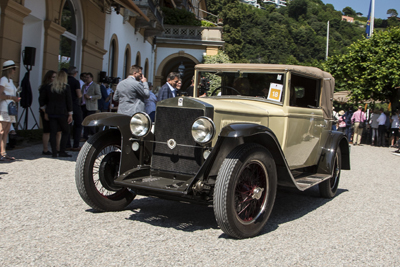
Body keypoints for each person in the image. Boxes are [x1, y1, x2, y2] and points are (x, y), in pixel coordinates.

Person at [39, 70, 73, 158]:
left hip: (51, 112)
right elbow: (69, 101)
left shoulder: (49, 87)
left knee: (53, 132)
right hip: (62, 112)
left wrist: (44, 109)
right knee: (66, 131)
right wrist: (70, 113)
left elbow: (41, 100)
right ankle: (61, 150)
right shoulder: (66, 87)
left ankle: (54, 152)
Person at [0, 60, 21, 161]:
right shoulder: (3, 79)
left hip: (10, 107)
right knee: (2, 131)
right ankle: (1, 152)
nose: (15, 70)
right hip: (5, 107)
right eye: (13, 69)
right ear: (9, 69)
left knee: (6, 131)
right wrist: (12, 97)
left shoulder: (10, 81)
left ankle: (3, 153)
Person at [38, 70, 61, 155]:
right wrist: (45, 112)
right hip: (46, 111)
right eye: (53, 77)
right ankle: (45, 149)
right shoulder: (45, 87)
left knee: (58, 131)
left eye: (56, 77)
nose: (55, 79)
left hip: (55, 111)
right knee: (47, 131)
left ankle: (57, 148)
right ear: (49, 78)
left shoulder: (55, 87)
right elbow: (41, 101)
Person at [65, 66, 83, 151]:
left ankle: (67, 144)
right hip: (75, 105)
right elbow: (79, 94)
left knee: (67, 125)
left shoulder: (65, 81)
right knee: (78, 124)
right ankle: (76, 145)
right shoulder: (76, 82)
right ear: (75, 73)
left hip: (66, 105)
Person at [81, 72, 101, 141]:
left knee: (91, 122)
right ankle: (85, 136)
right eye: (85, 77)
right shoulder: (84, 86)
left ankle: (94, 136)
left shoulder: (95, 85)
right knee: (85, 121)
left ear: (91, 78)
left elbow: (99, 96)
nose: (86, 78)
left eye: (88, 77)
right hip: (84, 105)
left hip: (91, 106)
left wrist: (90, 97)